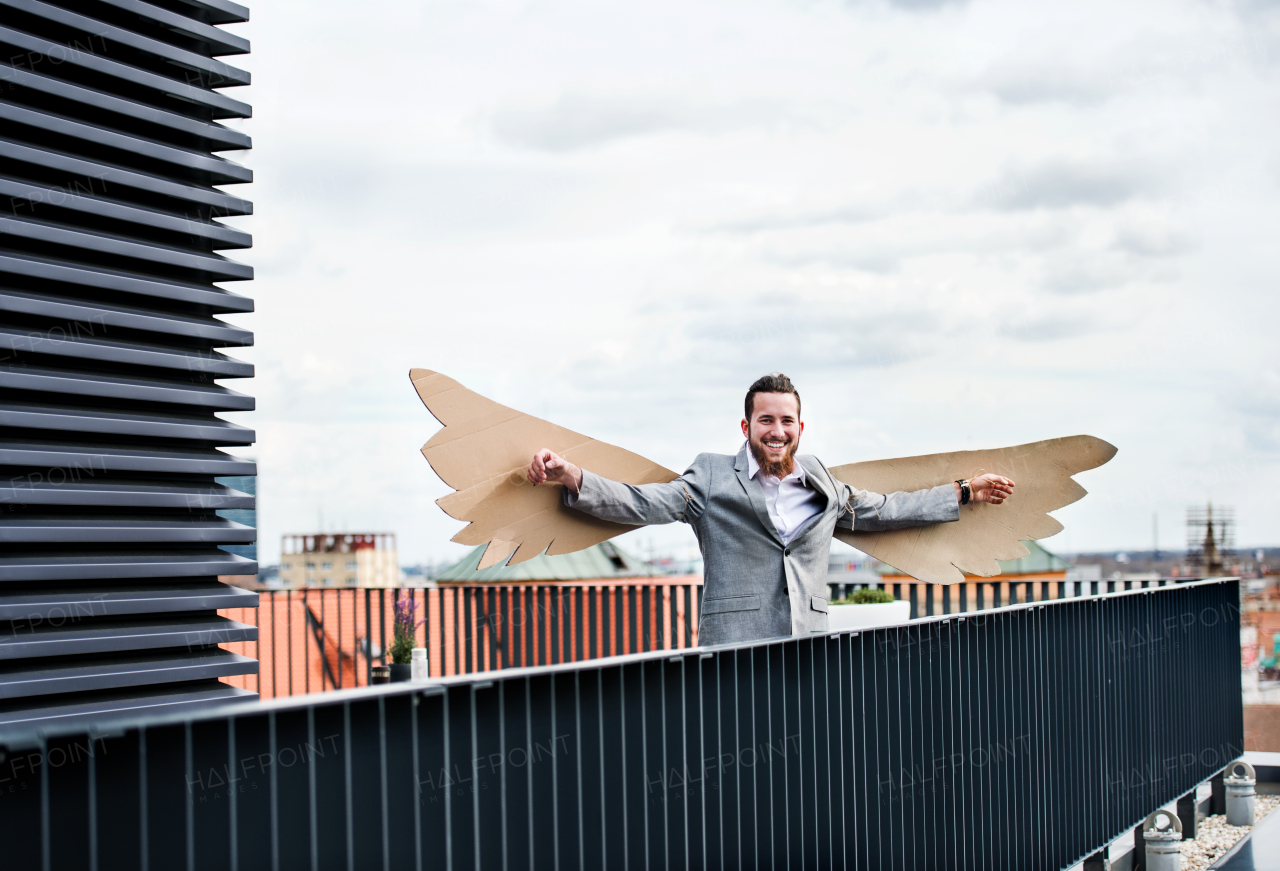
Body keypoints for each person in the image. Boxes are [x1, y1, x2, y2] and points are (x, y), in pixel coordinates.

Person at [526, 373, 1015, 645]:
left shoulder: (820, 480)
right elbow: (644, 503)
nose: (776, 430)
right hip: (735, 648)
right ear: (746, 427)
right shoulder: (712, 475)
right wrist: (573, 476)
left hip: (807, 645)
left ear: (801, 428)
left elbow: (886, 510)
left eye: (786, 420)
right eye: (766, 420)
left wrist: (963, 491)